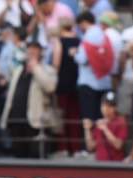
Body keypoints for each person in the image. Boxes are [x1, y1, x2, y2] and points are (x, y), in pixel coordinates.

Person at [1, 41, 59, 159]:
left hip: (36, 121)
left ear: (41, 53)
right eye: (29, 49)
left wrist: (36, 68)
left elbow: (50, 87)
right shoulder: (19, 70)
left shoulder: (48, 70)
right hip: (16, 119)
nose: (31, 51)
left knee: (36, 155)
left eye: (35, 49)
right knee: (18, 155)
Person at [75, 10, 114, 123]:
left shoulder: (88, 36)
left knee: (88, 117)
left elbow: (82, 58)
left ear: (83, 22)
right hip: (104, 81)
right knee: (100, 116)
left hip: (88, 82)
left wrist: (75, 54)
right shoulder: (103, 34)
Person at [52, 16, 82, 155]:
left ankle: (63, 147)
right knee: (74, 116)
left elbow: (56, 64)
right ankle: (75, 147)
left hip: (63, 83)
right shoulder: (79, 42)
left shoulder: (60, 42)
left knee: (62, 115)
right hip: (76, 83)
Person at [83, 90, 126, 160]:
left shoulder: (120, 121)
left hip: (115, 163)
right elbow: (90, 146)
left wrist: (105, 129)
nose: (106, 108)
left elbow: (118, 145)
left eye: (110, 106)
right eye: (104, 105)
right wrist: (87, 129)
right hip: (100, 163)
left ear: (115, 107)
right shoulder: (99, 123)